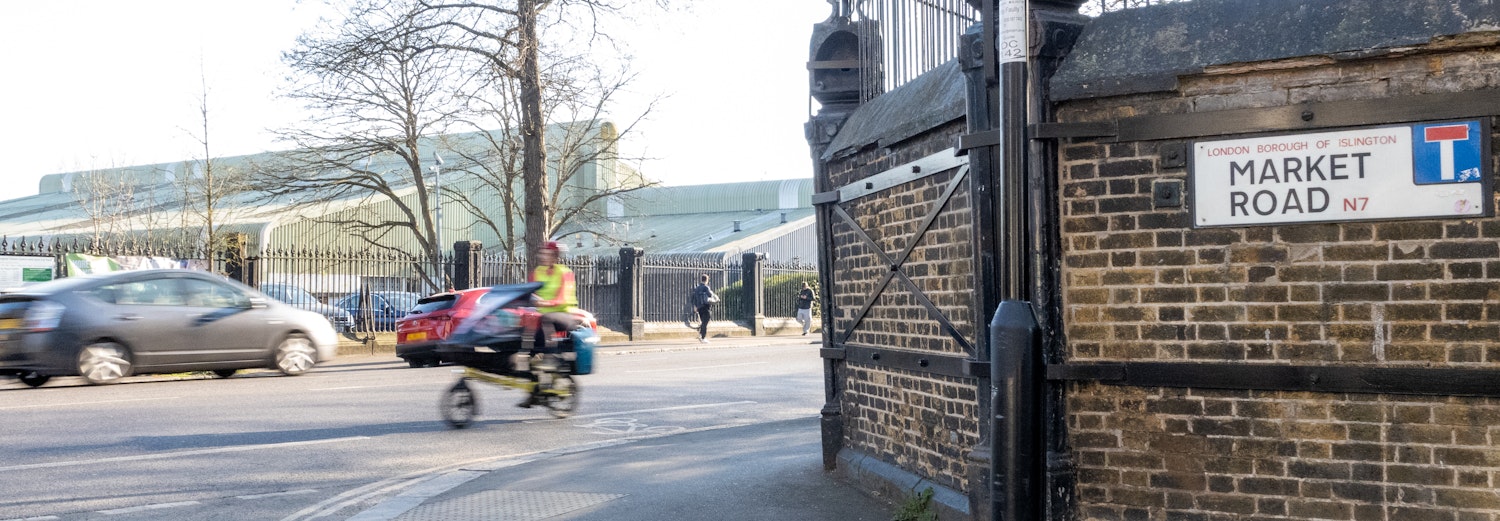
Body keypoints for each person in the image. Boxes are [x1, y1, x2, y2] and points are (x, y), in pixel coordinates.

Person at [521, 240, 580, 407]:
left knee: (547, 318)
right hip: (541, 318)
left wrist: (544, 303)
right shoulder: (536, 272)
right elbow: (528, 292)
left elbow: (562, 298)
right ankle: (534, 392)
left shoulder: (565, 273)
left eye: (547, 254)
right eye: (542, 253)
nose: (542, 256)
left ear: (555, 257)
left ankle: (550, 357)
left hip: (564, 315)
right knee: (528, 352)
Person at [690, 274, 717, 343]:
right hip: (705, 307)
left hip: (699, 307)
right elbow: (710, 295)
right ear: (707, 280)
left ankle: (701, 334)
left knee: (703, 322)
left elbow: (693, 298)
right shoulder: (706, 287)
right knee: (705, 322)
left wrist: (695, 306)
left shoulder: (697, 288)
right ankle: (703, 337)